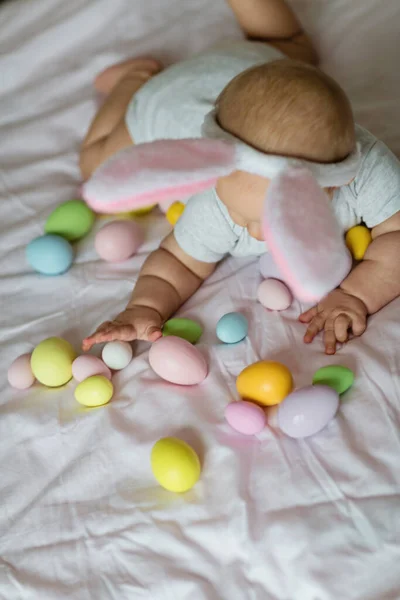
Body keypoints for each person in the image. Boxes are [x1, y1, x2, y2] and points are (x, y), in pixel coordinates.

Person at [80, 0, 400, 355]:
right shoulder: (216, 201)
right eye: (242, 216)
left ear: (335, 183)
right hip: (168, 101)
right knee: (95, 165)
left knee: (297, 52)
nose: (256, 233)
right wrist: (144, 308)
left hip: (254, 68)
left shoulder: (367, 167)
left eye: (271, 220)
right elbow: (176, 263)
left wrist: (355, 294)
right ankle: (134, 80)